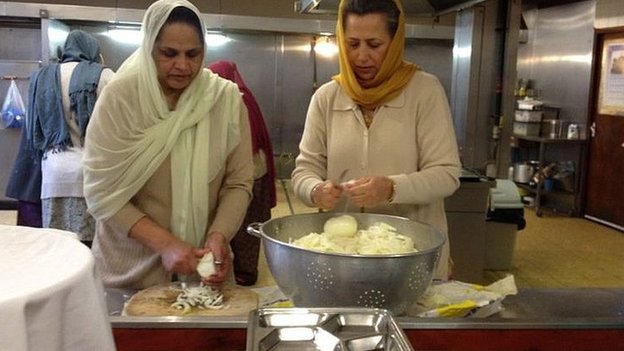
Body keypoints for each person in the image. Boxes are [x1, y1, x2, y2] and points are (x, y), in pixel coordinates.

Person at [83, 0, 253, 289]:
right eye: (169, 54)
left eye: (193, 54)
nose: (183, 66)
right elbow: (102, 193)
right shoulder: (120, 99)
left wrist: (219, 236)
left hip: (205, 274)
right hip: (130, 273)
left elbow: (238, 183)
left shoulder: (223, 99)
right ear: (150, 48)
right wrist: (166, 244)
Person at [291, 0, 461, 280]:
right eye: (352, 44)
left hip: (411, 257)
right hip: (344, 259)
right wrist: (314, 190)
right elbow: (303, 171)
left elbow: (446, 174)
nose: (361, 56)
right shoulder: (327, 97)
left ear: (395, 42)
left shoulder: (424, 91)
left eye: (374, 44)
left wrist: (392, 188)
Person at [5, 30, 114, 247]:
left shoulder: (41, 77)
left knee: (59, 246)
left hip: (53, 175)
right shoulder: (106, 76)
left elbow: (33, 133)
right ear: (94, 51)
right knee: (94, 248)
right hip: (95, 175)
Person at [208, 60, 277, 286]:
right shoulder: (237, 96)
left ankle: (246, 275)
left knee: (246, 231)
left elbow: (244, 145)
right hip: (253, 175)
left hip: (252, 177)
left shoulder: (237, 99)